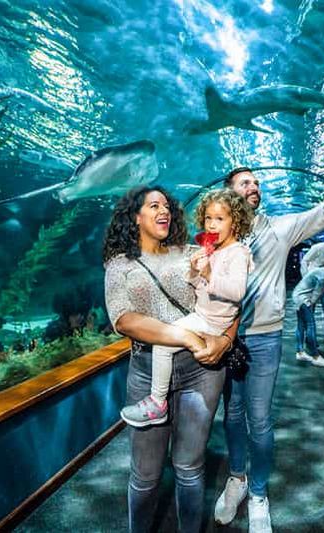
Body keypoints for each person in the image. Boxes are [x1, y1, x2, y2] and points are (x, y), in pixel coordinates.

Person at [215, 117, 324, 532]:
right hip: (225, 339)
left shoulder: (280, 230)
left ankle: (259, 494)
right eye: (244, 183)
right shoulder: (218, 235)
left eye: (255, 182)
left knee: (259, 419)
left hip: (264, 339)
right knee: (232, 416)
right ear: (228, 195)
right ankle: (237, 479)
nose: (253, 186)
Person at [103, 185, 237, 533]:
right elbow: (123, 319)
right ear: (135, 216)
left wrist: (225, 339)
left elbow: (230, 301)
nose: (163, 210)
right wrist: (182, 335)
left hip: (201, 370)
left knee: (190, 468)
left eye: (166, 205)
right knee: (145, 475)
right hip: (147, 370)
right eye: (153, 205)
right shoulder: (119, 264)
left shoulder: (191, 252)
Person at [120, 188, 254, 427]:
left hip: (213, 322)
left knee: (163, 342)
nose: (211, 225)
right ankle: (159, 401)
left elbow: (237, 293)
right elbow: (199, 285)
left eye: (219, 219)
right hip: (202, 316)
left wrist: (209, 273)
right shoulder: (214, 250)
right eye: (208, 218)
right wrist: (194, 271)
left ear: (235, 222)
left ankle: (157, 402)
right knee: (166, 336)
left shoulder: (238, 253)